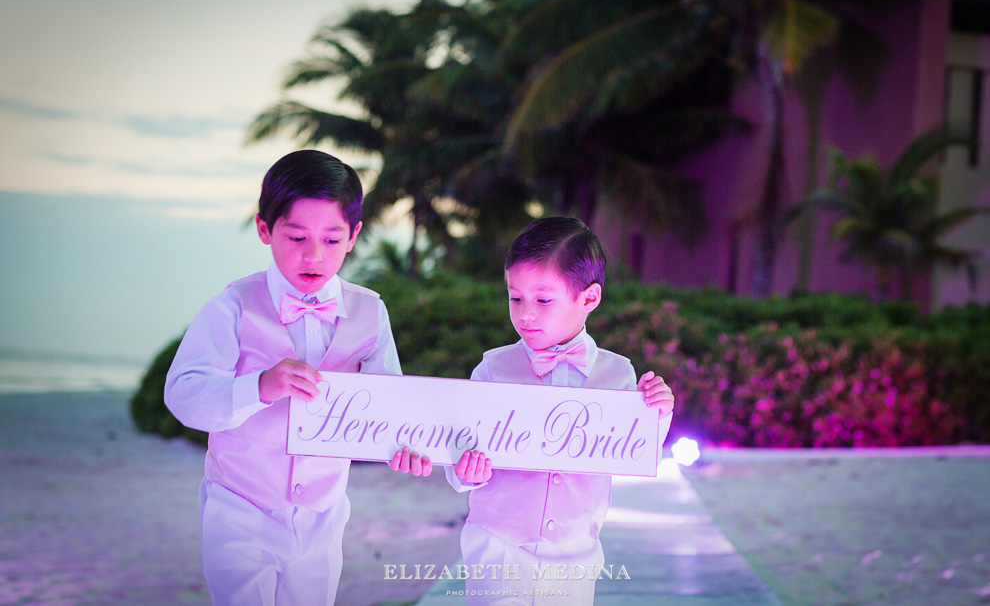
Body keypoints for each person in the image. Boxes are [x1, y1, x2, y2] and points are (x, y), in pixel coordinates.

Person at [164, 149, 423, 605]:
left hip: (324, 514)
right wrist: (258, 387)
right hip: (239, 509)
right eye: (297, 236)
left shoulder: (370, 311)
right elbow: (183, 395)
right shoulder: (232, 306)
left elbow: (390, 406)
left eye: (330, 239)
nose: (313, 254)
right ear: (265, 230)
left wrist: (405, 449)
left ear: (354, 236)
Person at [445, 216, 674, 605]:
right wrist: (464, 469)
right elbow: (459, 450)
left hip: (575, 553)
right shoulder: (493, 370)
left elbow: (634, 449)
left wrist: (658, 409)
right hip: (499, 546)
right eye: (515, 298)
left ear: (589, 298)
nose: (525, 314)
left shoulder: (618, 373)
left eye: (543, 299)